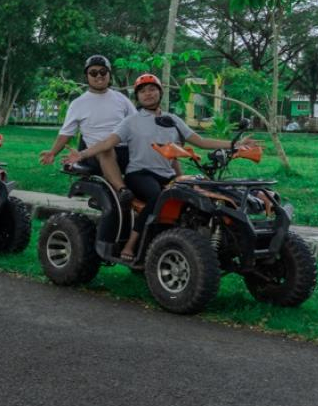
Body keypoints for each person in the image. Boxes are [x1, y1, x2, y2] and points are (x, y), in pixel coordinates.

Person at [65, 73, 253, 261]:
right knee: (158, 197)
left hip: (168, 175)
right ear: (137, 97)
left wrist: (234, 144)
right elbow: (107, 143)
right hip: (139, 174)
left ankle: (181, 243)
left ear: (159, 93)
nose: (148, 94)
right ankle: (131, 243)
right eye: (143, 91)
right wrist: (81, 155)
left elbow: (201, 141)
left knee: (195, 197)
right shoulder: (131, 121)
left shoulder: (173, 120)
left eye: (152, 89)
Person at [40, 55, 135, 197]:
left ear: (109, 74)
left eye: (103, 72)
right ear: (87, 76)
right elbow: (66, 133)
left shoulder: (121, 99)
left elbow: (136, 124)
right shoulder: (78, 104)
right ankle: (122, 191)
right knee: (105, 150)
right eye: (93, 73)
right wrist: (53, 152)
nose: (99, 76)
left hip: (124, 150)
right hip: (95, 154)